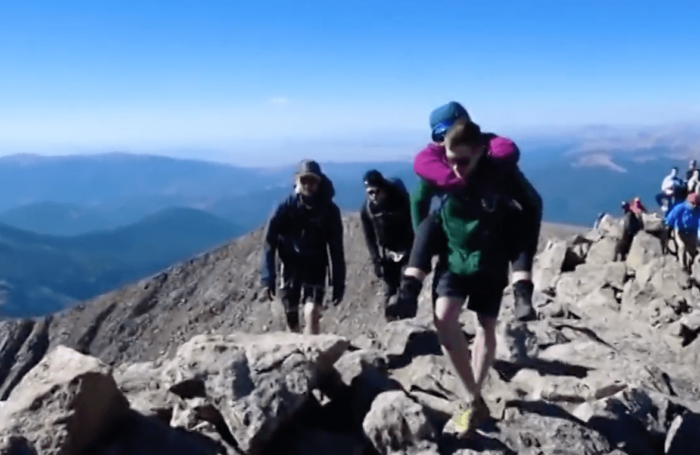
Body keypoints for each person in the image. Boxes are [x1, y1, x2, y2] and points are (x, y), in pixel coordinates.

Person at [400, 114, 541, 438]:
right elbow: (422, 209)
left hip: (490, 263)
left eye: (463, 161)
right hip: (454, 259)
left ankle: (471, 396)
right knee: (443, 317)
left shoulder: (500, 177)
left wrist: (523, 274)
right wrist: (413, 272)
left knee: (485, 326)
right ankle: (472, 396)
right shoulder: (444, 179)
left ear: (480, 151)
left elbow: (529, 209)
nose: (456, 169)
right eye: (451, 161)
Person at [387, 101, 542, 324]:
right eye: (441, 135)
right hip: (494, 235)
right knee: (517, 225)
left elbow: (418, 200)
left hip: (458, 243)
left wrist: (427, 241)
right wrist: (529, 242)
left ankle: (409, 289)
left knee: (431, 224)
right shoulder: (495, 163)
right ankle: (522, 293)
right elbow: (533, 202)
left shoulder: (439, 167)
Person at [260, 159, 346, 334]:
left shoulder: (329, 211)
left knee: (312, 312)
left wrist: (338, 282)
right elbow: (269, 242)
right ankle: (298, 351)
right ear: (296, 181)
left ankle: (311, 350)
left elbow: (336, 249)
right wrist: (268, 277)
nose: (308, 185)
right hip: (289, 265)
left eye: (312, 180)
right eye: (304, 180)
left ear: (319, 182)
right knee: (291, 316)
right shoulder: (285, 208)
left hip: (316, 265)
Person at [360, 170, 414, 305]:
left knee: (407, 287)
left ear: (383, 188)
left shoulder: (402, 202)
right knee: (389, 290)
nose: (373, 196)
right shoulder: (367, 210)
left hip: (407, 248)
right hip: (387, 252)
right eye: (370, 193)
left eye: (376, 191)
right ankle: (391, 320)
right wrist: (375, 260)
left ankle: (408, 318)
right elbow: (369, 237)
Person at [664, 193, 700, 272]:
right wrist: (669, 227)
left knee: (692, 251)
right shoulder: (680, 208)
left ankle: (691, 266)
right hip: (680, 231)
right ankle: (682, 266)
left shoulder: (697, 210)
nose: (693, 206)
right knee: (682, 247)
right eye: (692, 204)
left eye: (696, 204)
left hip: (692, 232)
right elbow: (670, 218)